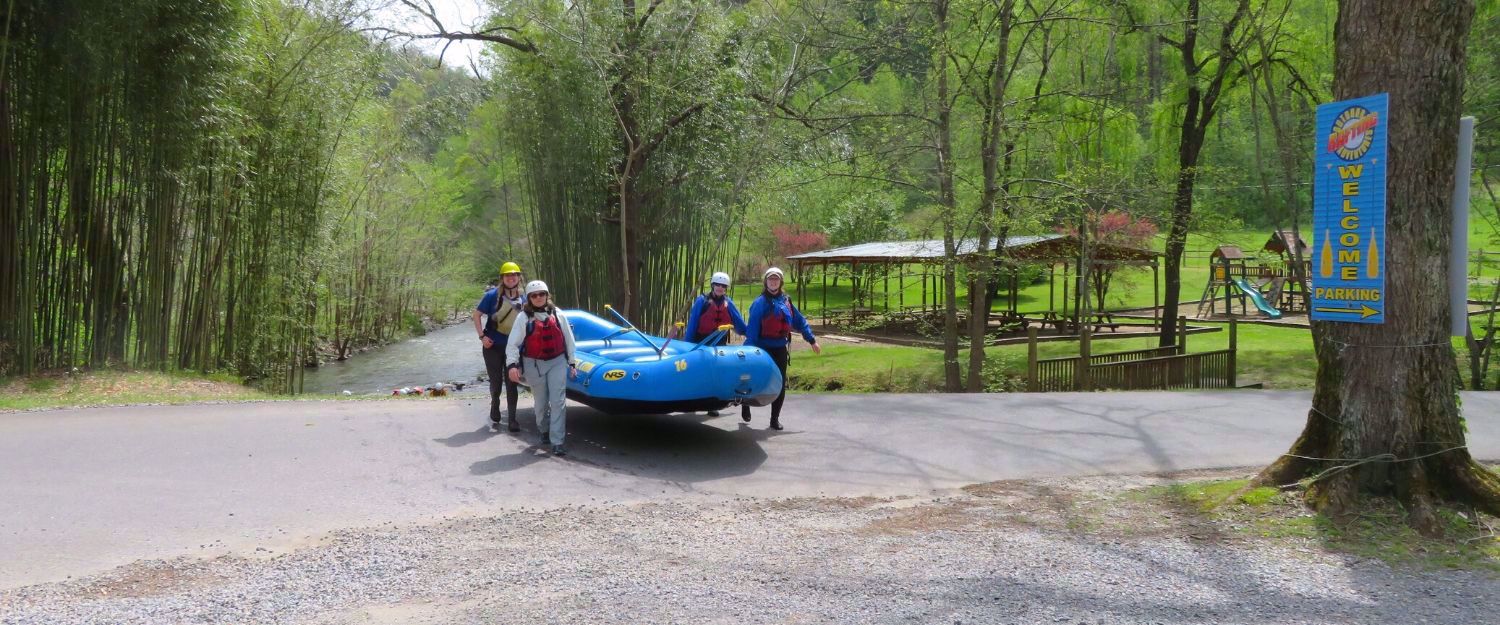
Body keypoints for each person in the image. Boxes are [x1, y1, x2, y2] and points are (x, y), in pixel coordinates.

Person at [506, 280, 579, 456]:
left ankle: (557, 441)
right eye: (534, 295)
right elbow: (513, 344)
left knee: (558, 401)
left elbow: (569, 340)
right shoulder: (523, 318)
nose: (538, 298)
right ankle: (544, 429)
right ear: (529, 298)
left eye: (541, 294)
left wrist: (572, 362)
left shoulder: (558, 314)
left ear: (547, 296)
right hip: (534, 364)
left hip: (557, 362)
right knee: (541, 402)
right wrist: (512, 365)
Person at [743, 267, 820, 430]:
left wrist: (812, 340)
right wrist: (749, 351)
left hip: (779, 348)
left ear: (781, 282)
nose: (773, 282)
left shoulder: (786, 300)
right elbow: (752, 331)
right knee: (755, 378)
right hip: (762, 349)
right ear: (766, 282)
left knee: (779, 383)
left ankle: (774, 419)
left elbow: (800, 321)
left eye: (776, 279)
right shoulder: (759, 303)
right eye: (770, 279)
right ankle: (745, 404)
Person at [685, 271, 749, 416]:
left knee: (715, 374)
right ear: (713, 285)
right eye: (718, 285)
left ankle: (711, 405)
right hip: (702, 343)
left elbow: (739, 324)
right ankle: (692, 399)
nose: (720, 288)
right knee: (699, 373)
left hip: (719, 345)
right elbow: (692, 324)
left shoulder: (729, 303)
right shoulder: (702, 301)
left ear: (726, 288)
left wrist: (751, 335)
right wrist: (687, 346)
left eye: (723, 286)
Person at [473, 262, 525, 432]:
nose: (511, 278)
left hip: (513, 349)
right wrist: (482, 336)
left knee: (512, 382)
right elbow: (477, 314)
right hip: (493, 346)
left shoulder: (525, 298)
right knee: (496, 382)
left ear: (519, 277)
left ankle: (512, 419)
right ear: (502, 278)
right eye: (508, 275)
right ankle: (495, 403)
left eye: (514, 275)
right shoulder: (492, 296)